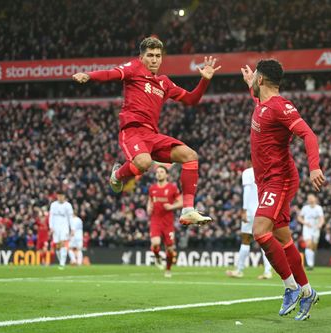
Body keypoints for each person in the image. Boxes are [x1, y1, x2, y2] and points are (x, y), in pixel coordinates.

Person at [72, 36, 221, 225]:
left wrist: (205, 81)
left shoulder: (164, 83)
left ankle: (188, 210)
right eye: (150, 55)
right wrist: (89, 75)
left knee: (190, 155)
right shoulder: (134, 68)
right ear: (141, 57)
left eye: (158, 56)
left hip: (152, 135)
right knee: (144, 162)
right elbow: (111, 74)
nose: (154, 59)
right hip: (132, 130)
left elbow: (192, 99)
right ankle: (117, 175)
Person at [241, 59, 325, 321]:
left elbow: (309, 135)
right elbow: (261, 108)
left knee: (260, 232)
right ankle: (308, 292)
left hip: (280, 180)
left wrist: (314, 167)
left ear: (261, 80)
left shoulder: (280, 106)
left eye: (254, 76)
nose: (252, 78)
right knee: (284, 239)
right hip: (266, 181)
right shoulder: (263, 105)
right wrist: (249, 86)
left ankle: (291, 287)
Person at [226, 164, 272, 279]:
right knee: (264, 241)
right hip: (264, 209)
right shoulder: (266, 171)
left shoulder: (248, 172)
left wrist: (244, 210)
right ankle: (267, 271)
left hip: (251, 211)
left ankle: (239, 270)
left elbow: (247, 191)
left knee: (245, 240)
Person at [147, 165, 182, 278]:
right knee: (155, 243)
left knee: (170, 249)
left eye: (161, 172)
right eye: (157, 172)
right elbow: (150, 201)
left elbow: (181, 202)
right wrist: (148, 208)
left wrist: (171, 207)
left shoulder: (172, 188)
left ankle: (168, 269)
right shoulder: (152, 188)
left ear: (167, 174)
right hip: (155, 220)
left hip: (168, 223)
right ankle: (157, 258)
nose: (159, 173)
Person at [297, 194, 324, 270]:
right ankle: (310, 264)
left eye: (311, 198)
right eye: (309, 199)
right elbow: (299, 217)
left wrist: (320, 224)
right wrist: (305, 222)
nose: (310, 200)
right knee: (308, 244)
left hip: (316, 229)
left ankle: (311, 263)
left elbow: (322, 218)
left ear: (315, 199)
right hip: (307, 229)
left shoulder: (319, 208)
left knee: (313, 247)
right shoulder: (305, 208)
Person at [49, 190, 73, 269]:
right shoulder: (53, 205)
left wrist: (72, 228)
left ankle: (62, 263)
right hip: (56, 228)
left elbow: (70, 218)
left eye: (61, 196)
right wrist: (51, 227)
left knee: (63, 243)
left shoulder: (68, 205)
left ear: (64, 196)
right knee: (57, 246)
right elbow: (51, 216)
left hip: (64, 227)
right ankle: (61, 261)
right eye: (58, 196)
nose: (60, 197)